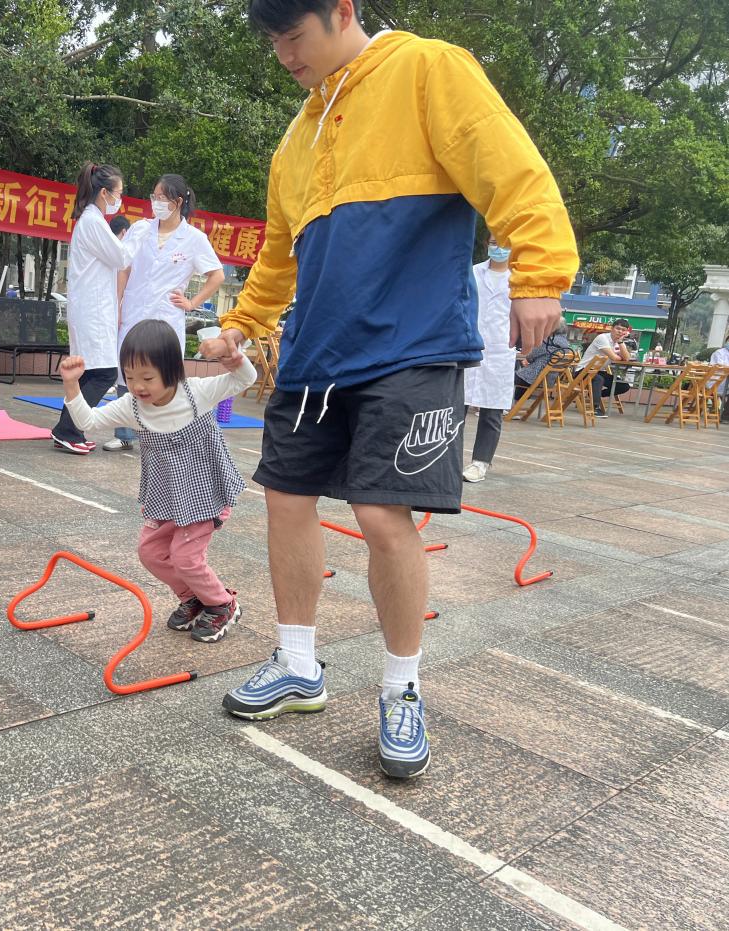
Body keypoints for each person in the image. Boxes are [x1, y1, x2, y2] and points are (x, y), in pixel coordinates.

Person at [212, 0, 578, 780]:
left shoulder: (425, 69)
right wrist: (242, 322)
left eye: (294, 35)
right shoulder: (296, 138)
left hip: (411, 344)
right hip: (315, 352)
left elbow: (510, 166)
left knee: (382, 513)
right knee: (284, 498)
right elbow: (278, 253)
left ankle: (401, 687)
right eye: (273, 42)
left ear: (341, 10)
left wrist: (539, 273)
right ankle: (297, 662)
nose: (284, 55)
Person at [60, 319, 257, 641]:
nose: (138, 386)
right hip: (166, 497)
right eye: (130, 377)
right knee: (151, 552)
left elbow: (245, 379)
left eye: (147, 377)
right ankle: (194, 597)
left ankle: (222, 603)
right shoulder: (133, 407)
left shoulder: (196, 393)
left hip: (204, 494)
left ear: (172, 370)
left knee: (186, 556)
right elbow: (87, 422)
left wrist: (234, 359)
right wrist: (71, 385)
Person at [104, 175, 226, 452]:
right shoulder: (140, 229)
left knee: (163, 373)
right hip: (134, 311)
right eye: (154, 197)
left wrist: (192, 303)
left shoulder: (193, 238)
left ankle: (163, 434)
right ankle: (124, 434)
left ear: (177, 202)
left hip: (166, 316)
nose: (156, 203)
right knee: (129, 369)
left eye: (162, 198)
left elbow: (217, 275)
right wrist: (118, 305)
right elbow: (124, 268)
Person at [50, 162, 136, 455]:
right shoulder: (93, 222)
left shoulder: (93, 220)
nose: (119, 199)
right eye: (118, 193)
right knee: (105, 374)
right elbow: (121, 257)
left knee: (87, 373)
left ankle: (68, 430)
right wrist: (136, 238)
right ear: (104, 193)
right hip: (92, 310)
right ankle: (67, 429)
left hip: (93, 307)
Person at [461, 236, 514, 483]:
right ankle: (446, 458)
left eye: (505, 243)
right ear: (487, 244)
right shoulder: (473, 272)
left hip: (500, 349)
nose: (499, 247)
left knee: (492, 410)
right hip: (469, 342)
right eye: (494, 241)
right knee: (456, 405)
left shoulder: (519, 279)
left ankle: (480, 463)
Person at [576, 318, 632, 417]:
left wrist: (620, 342)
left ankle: (593, 395)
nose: (620, 331)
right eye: (618, 328)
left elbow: (627, 358)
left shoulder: (618, 342)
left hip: (598, 371)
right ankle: (595, 408)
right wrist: (620, 357)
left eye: (623, 330)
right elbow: (614, 357)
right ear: (612, 328)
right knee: (598, 379)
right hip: (583, 371)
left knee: (623, 386)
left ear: (626, 332)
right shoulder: (602, 338)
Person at [514, 323, 572, 399]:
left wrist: (527, 359)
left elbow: (533, 354)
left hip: (534, 377)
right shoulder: (565, 344)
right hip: (550, 379)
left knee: (508, 377)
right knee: (521, 374)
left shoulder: (549, 340)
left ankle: (515, 403)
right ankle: (519, 401)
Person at [711, 342, 729, 424]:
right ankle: (725, 416)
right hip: (716, 381)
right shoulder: (719, 353)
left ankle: (725, 415)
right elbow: (721, 366)